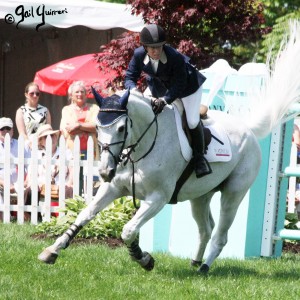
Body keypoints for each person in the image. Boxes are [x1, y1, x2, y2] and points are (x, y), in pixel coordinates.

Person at [125, 24, 211, 178]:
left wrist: (164, 101)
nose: (156, 51)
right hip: (160, 85)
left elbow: (180, 85)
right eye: (152, 48)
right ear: (144, 47)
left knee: (191, 121)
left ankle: (199, 159)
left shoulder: (174, 57)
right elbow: (130, 77)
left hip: (188, 88)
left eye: (159, 47)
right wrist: (133, 91)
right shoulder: (138, 55)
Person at [60, 81, 99, 194]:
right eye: (76, 92)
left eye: (82, 91)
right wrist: (87, 127)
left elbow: (97, 127)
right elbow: (67, 129)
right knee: (74, 183)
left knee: (90, 184)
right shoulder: (66, 110)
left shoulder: (94, 108)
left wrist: (78, 125)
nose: (79, 94)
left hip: (91, 151)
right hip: (73, 152)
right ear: (71, 95)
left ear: (86, 94)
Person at [27, 124, 73, 200]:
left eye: (52, 135)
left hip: (61, 188)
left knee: (69, 191)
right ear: (41, 141)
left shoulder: (66, 153)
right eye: (46, 137)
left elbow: (73, 171)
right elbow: (32, 175)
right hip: (41, 188)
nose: (50, 138)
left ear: (56, 137)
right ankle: (27, 212)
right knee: (29, 191)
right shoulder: (37, 155)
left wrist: (69, 183)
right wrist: (35, 184)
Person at [0, 117, 31, 221]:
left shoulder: (22, 145)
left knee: (31, 187)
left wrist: (27, 180)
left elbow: (30, 165)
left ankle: (21, 215)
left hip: (21, 184)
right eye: (2, 129)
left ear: (12, 130)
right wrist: (4, 183)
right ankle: (3, 217)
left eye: (8, 128)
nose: (5, 131)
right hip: (1, 183)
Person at [15, 82, 51, 148]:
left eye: (37, 94)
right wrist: (30, 144)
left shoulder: (45, 110)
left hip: (43, 147)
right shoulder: (21, 111)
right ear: (26, 95)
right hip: (27, 147)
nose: (35, 96)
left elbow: (48, 130)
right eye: (32, 93)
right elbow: (22, 133)